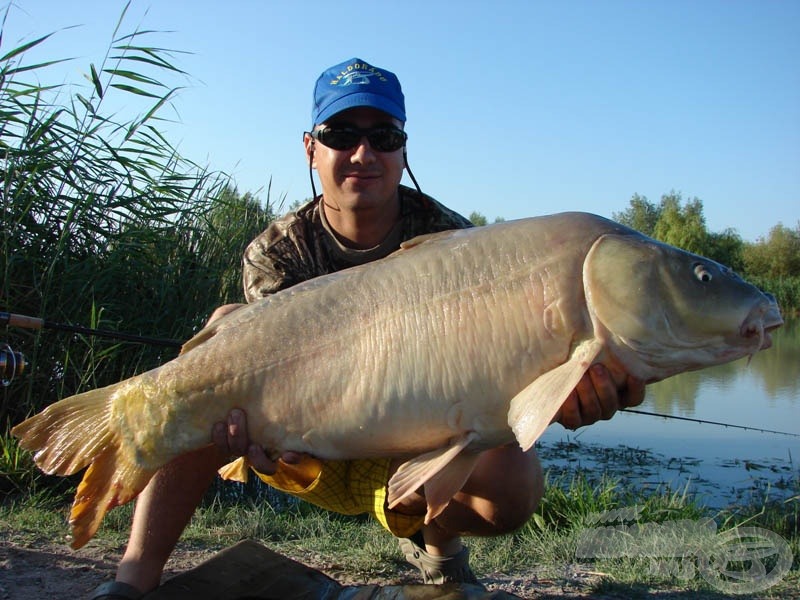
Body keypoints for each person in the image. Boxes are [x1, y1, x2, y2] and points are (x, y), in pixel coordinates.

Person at [91, 58, 645, 600]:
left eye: (383, 135)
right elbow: (285, 394)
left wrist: (562, 391)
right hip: (311, 439)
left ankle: (440, 556)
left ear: (403, 151)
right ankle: (135, 574)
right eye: (341, 134)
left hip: (421, 434)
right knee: (217, 347)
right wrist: (262, 438)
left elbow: (496, 383)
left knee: (509, 478)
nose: (364, 153)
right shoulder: (278, 250)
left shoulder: (453, 242)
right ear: (311, 148)